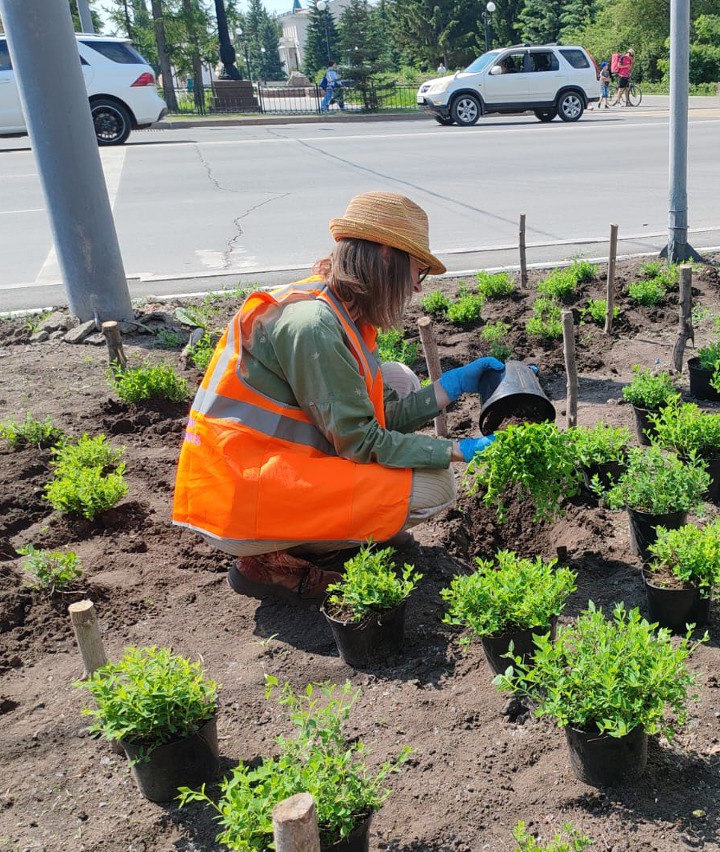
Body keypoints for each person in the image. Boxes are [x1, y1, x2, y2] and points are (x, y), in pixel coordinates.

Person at [172, 192, 503, 605]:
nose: (417, 285)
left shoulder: (333, 304)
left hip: (261, 469)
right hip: (241, 498)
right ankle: (276, 557)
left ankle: (335, 527)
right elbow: (363, 442)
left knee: (395, 379)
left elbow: (371, 421)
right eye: (417, 270)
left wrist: (448, 388)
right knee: (437, 485)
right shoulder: (314, 327)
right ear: (386, 256)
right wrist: (459, 450)